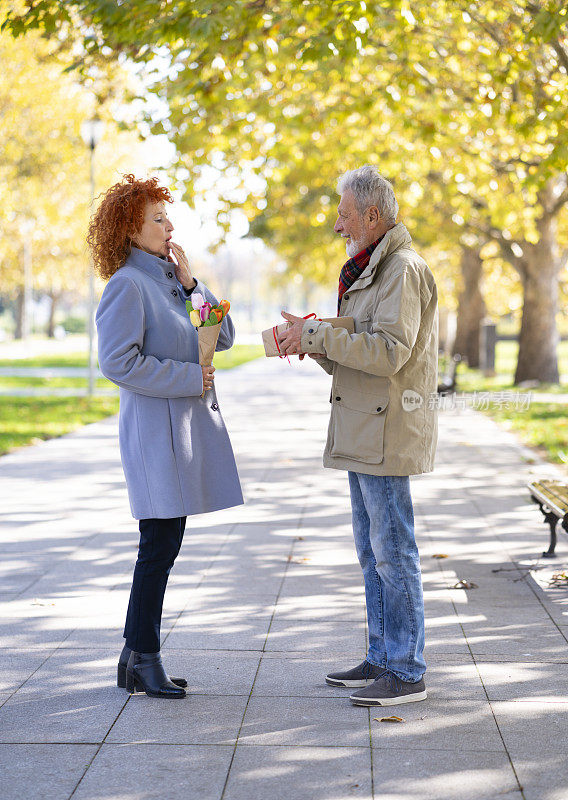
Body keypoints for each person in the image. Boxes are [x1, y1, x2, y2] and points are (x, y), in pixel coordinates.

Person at [278, 165, 438, 706]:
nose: (338, 223)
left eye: (344, 213)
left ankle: (408, 669)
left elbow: (391, 351)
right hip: (362, 426)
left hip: (388, 430)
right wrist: (314, 342)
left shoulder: (402, 270)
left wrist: (321, 334)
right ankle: (382, 657)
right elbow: (355, 358)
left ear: (372, 214)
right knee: (374, 554)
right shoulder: (368, 270)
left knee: (394, 552)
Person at [91, 175, 243, 699]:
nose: (169, 226)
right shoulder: (126, 286)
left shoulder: (169, 282)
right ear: (131, 229)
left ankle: (134, 658)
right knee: (158, 545)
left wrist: (192, 282)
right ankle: (144, 657)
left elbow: (222, 335)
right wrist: (186, 378)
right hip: (153, 437)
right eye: (158, 218)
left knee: (162, 544)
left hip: (178, 434)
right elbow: (117, 362)